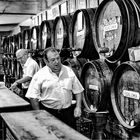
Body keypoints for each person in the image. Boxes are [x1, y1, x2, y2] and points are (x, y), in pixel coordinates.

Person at [25, 47, 84, 129]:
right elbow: (33, 96)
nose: (57, 62)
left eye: (58, 58)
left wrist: (78, 107)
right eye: (53, 60)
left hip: (67, 113)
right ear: (46, 61)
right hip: (49, 113)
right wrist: (39, 114)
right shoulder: (40, 75)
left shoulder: (69, 71)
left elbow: (78, 90)